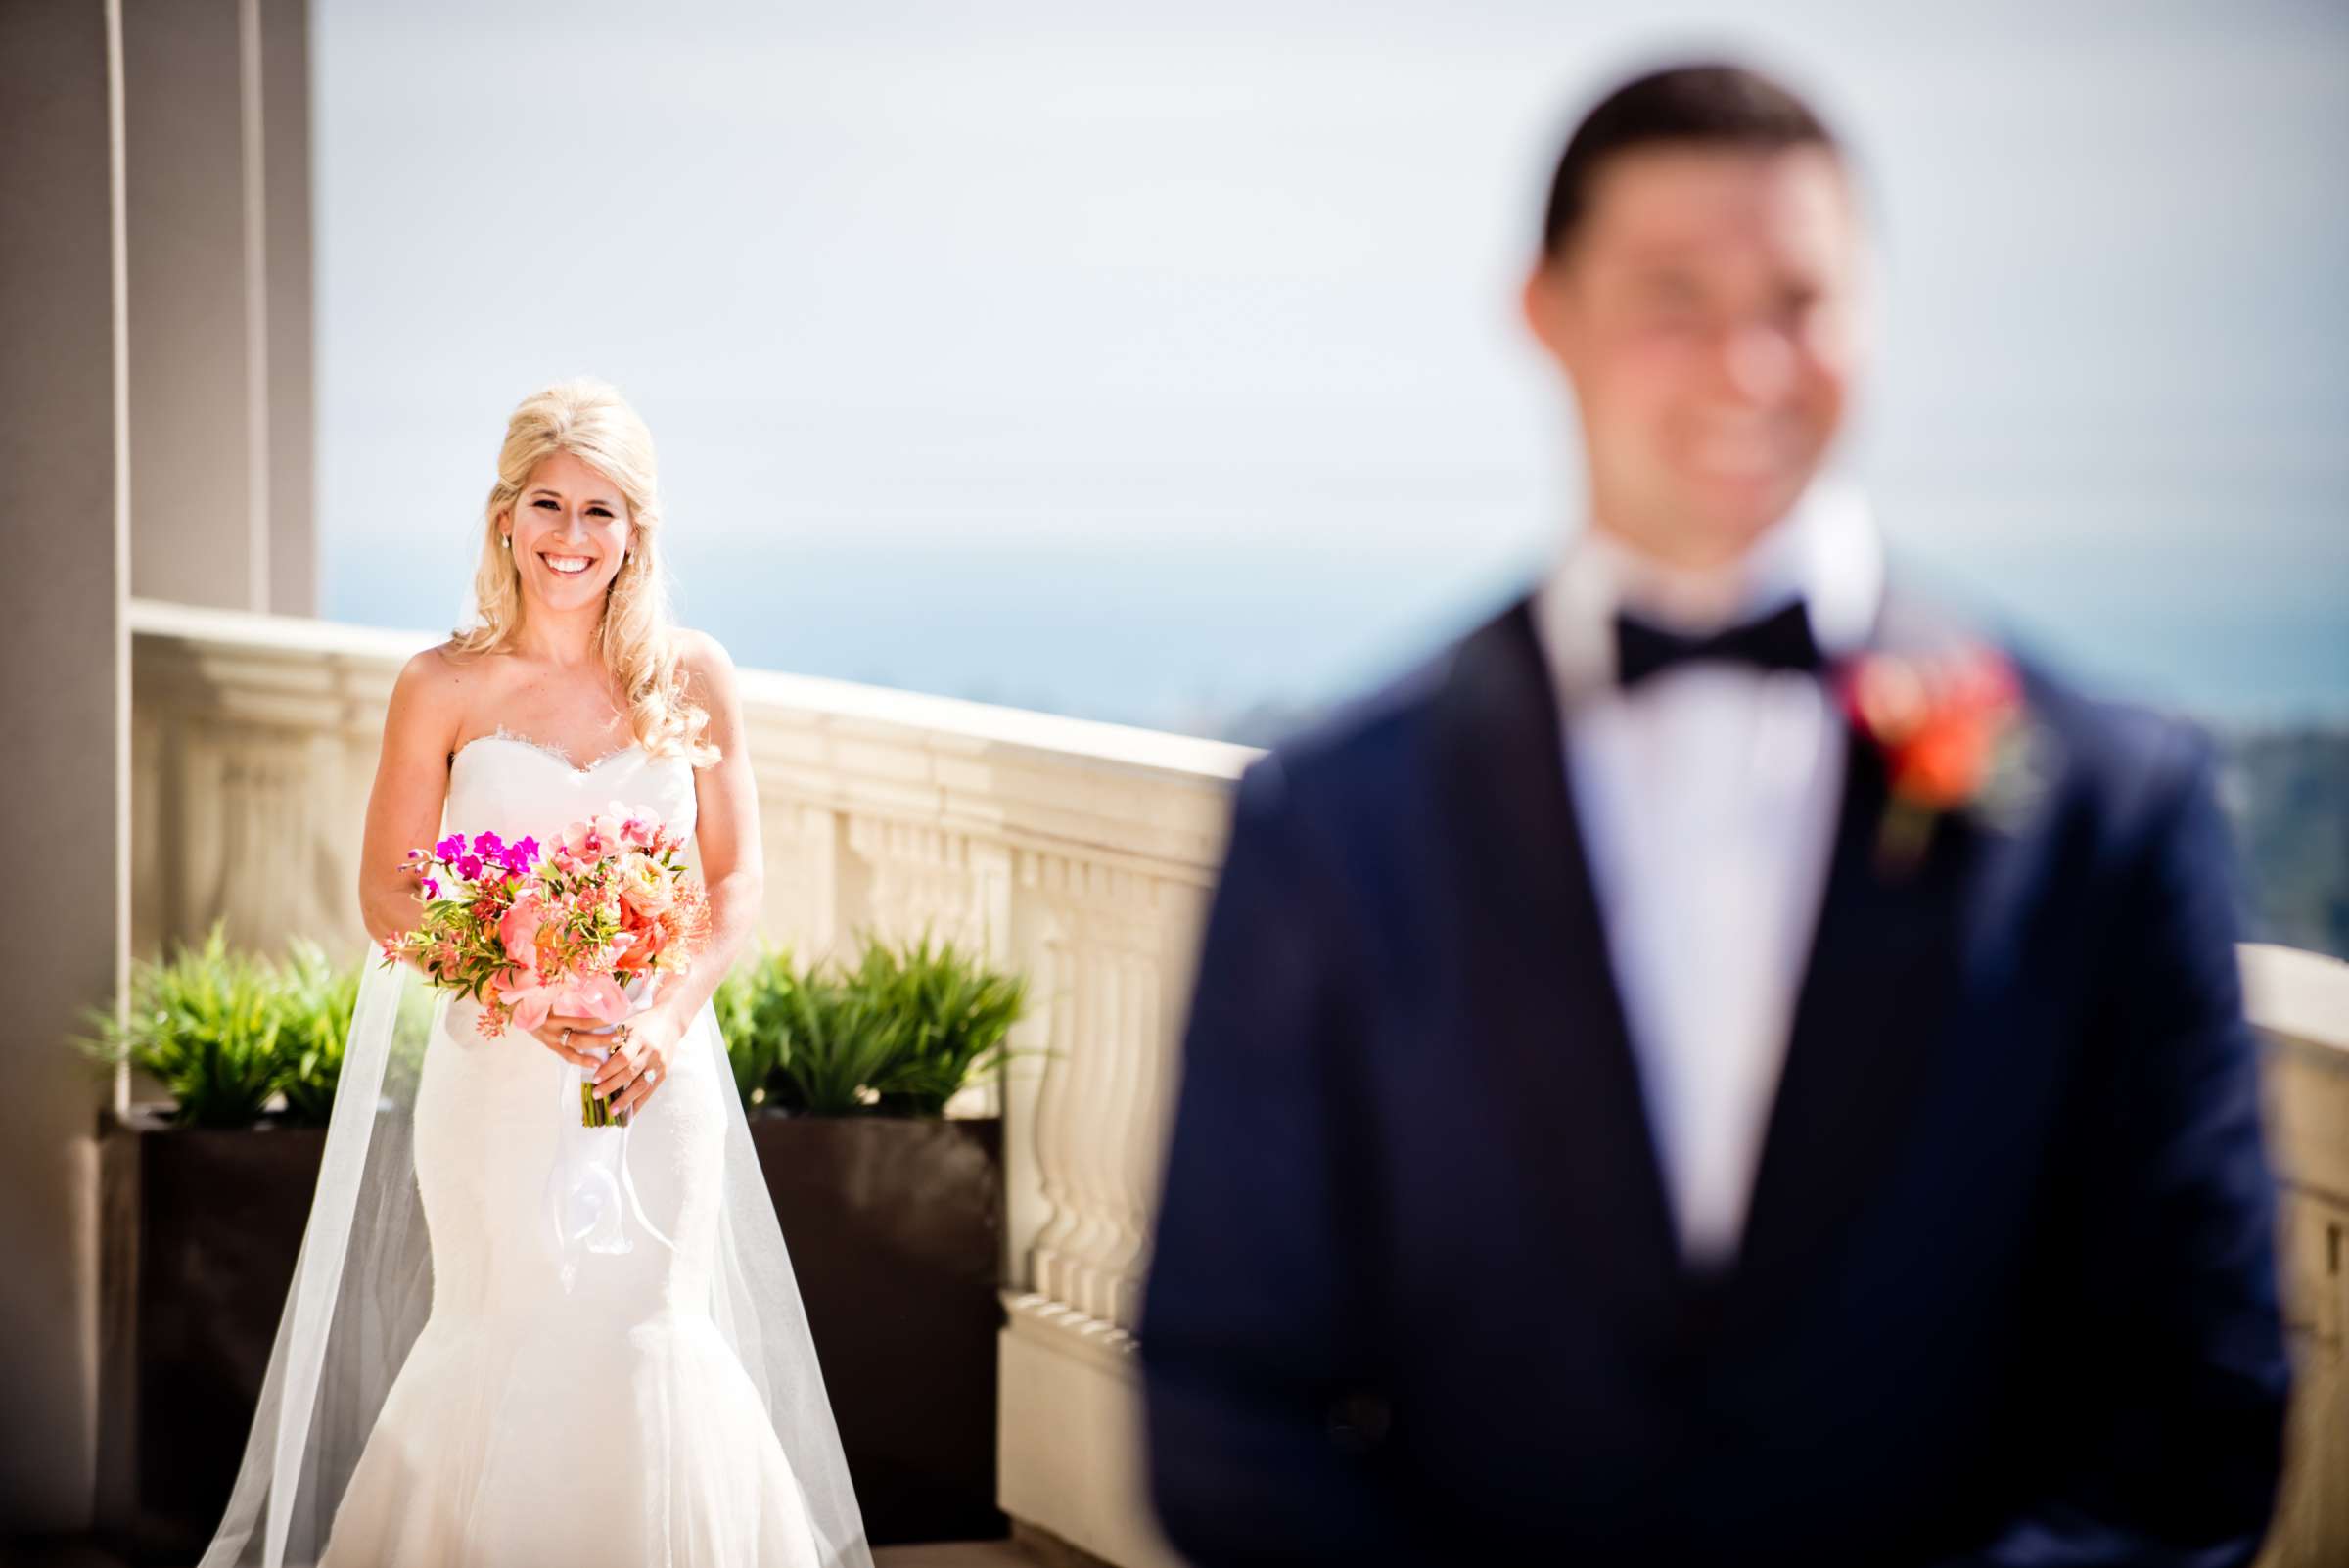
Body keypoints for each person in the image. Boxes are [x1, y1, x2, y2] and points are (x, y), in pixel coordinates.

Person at [1140, 62, 2289, 1567]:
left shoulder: (2109, 811)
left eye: (1800, 300)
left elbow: (2195, 1417)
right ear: (1546, 314)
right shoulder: (1334, 825)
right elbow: (1226, 1395)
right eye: (1675, 296)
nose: (1750, 368)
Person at [199, 379, 871, 1567]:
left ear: (637, 531)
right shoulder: (441, 686)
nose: (572, 537)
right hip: (495, 1085)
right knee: (497, 1326)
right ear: (505, 518)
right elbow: (390, 891)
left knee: (649, 1337)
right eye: (548, 505)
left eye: (600, 510)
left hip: (654, 1081)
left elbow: (735, 881)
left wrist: (663, 1021)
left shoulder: (693, 678)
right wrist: (513, 991)